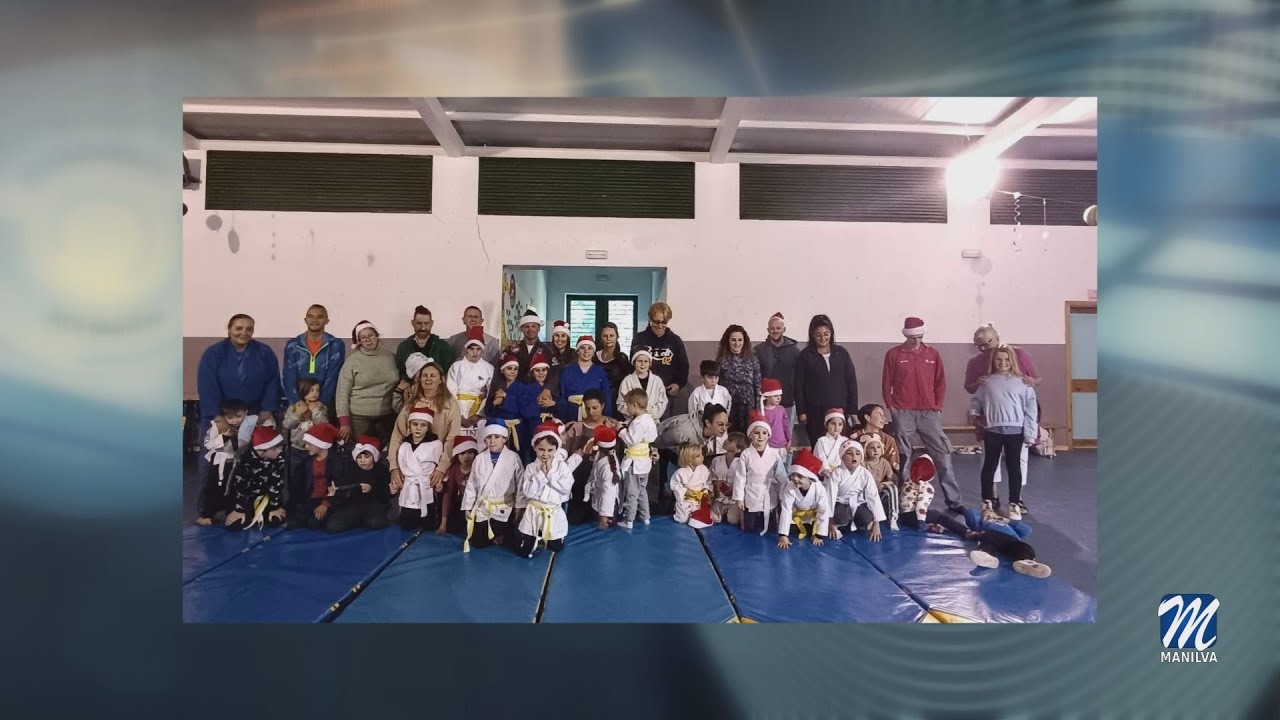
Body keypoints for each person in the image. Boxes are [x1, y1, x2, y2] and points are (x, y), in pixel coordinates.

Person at [882, 316, 964, 512]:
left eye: (919, 337)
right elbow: (887, 383)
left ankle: (954, 501)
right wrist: (891, 407)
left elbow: (940, 381)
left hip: (929, 412)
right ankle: (903, 500)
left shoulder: (933, 354)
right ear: (905, 336)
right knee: (903, 456)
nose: (916, 341)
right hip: (903, 411)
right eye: (913, 338)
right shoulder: (893, 354)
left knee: (942, 454)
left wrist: (938, 406)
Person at [964, 323, 1042, 492]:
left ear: (998, 338)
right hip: (990, 418)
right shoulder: (975, 361)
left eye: (987, 343)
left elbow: (1036, 378)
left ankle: (1017, 498)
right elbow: (969, 388)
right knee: (990, 458)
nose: (983, 348)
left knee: (1019, 459)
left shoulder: (1018, 354)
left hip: (1017, 415)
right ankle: (992, 497)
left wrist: (1030, 382)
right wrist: (977, 384)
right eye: (979, 345)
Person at [970, 346, 1038, 520]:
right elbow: (976, 401)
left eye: (1007, 360)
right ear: (993, 361)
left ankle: (1014, 502)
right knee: (989, 466)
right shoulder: (987, 382)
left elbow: (1031, 410)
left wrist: (1030, 433)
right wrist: (975, 414)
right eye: (999, 360)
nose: (1003, 363)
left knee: (1014, 467)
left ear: (1012, 361)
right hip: (992, 430)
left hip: (1016, 431)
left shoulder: (1023, 383)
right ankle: (987, 501)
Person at [389, 354, 463, 501]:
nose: (428, 379)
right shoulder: (412, 403)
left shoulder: (450, 405)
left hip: (436, 464)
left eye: (433, 375)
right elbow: (398, 435)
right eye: (424, 375)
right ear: (419, 379)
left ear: (441, 379)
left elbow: (451, 439)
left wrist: (442, 467)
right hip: (411, 464)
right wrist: (394, 467)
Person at [196, 313, 282, 438]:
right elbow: (207, 386)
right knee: (219, 454)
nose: (244, 332)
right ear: (229, 329)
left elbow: (273, 382)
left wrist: (267, 410)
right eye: (238, 328)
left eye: (249, 329)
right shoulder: (213, 354)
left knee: (255, 453)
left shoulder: (265, 352)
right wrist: (218, 418)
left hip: (255, 414)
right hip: (222, 414)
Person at [517, 422, 590, 557]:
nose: (545, 454)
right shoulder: (531, 468)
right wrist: (541, 475)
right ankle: (531, 539)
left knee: (556, 547)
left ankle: (554, 538)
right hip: (534, 511)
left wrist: (550, 474)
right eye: (541, 449)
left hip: (553, 510)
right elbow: (528, 492)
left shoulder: (562, 467)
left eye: (550, 450)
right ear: (535, 448)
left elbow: (565, 488)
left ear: (556, 449)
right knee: (525, 551)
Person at [793, 314, 858, 449]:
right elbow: (798, 385)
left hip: (840, 408)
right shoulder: (805, 356)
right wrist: (801, 411)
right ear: (812, 335)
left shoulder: (841, 353)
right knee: (819, 446)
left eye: (826, 334)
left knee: (840, 446)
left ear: (831, 333)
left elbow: (851, 381)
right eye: (818, 335)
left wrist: (853, 410)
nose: (823, 338)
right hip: (815, 411)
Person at [335, 320, 400, 448]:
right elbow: (342, 393)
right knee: (362, 455)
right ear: (358, 341)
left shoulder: (391, 357)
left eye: (370, 335)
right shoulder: (352, 361)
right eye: (363, 337)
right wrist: (344, 423)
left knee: (383, 455)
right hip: (359, 418)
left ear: (377, 336)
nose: (368, 340)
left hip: (387, 416)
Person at [461, 422, 523, 551]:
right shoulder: (479, 458)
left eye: (497, 437)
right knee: (477, 542)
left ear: (504, 439)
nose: (492, 441)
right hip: (484, 506)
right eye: (489, 437)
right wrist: (468, 506)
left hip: (505, 506)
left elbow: (520, 483)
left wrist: (520, 507)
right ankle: (493, 535)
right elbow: (472, 484)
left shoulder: (513, 458)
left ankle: (502, 534)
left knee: (512, 542)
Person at [560, 389, 618, 525]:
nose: (591, 412)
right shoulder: (576, 427)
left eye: (595, 408)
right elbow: (562, 452)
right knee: (575, 520)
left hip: (604, 480)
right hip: (579, 481)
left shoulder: (614, 426)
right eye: (588, 408)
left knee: (607, 519)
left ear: (603, 405)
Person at [281, 378, 331, 525]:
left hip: (313, 451)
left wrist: (315, 410)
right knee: (295, 479)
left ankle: (308, 507)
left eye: (317, 390)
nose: (315, 393)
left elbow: (323, 425)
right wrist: (297, 413)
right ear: (303, 391)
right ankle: (293, 507)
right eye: (311, 390)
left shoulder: (321, 407)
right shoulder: (294, 406)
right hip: (297, 449)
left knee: (310, 479)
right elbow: (287, 424)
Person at [732, 411, 789, 535]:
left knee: (771, 528)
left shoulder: (774, 454)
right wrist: (739, 498)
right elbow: (740, 477)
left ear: (769, 435)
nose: (760, 436)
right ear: (750, 435)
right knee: (749, 529)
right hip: (751, 492)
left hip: (769, 492)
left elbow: (781, 475)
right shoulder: (746, 454)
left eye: (764, 433)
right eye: (756, 433)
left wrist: (784, 493)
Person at [197, 398, 251, 526]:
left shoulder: (248, 426)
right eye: (230, 417)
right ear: (223, 416)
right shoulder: (216, 426)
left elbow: (245, 445)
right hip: (219, 463)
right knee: (213, 488)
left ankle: (231, 512)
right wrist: (225, 436)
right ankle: (207, 514)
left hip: (236, 462)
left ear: (245, 413)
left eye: (239, 416)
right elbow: (209, 444)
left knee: (234, 488)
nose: (235, 420)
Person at [298, 423, 362, 531]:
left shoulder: (337, 462)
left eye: (309, 444)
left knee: (327, 525)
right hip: (313, 499)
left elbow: (340, 487)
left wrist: (325, 504)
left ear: (320, 444)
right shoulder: (307, 461)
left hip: (333, 500)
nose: (306, 447)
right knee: (300, 521)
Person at [324, 436, 393, 533]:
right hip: (353, 505)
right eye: (359, 457)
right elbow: (342, 488)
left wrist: (372, 489)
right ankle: (357, 520)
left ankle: (364, 520)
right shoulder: (351, 469)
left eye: (366, 457)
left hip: (374, 505)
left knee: (376, 523)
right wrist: (334, 492)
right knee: (333, 526)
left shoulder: (382, 470)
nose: (362, 460)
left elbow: (387, 494)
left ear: (374, 457)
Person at [224, 425, 287, 530]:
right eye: (276, 448)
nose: (280, 451)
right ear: (262, 451)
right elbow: (240, 486)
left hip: (266, 496)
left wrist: (275, 506)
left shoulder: (279, 456)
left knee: (275, 521)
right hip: (247, 498)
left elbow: (277, 482)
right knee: (236, 524)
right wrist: (239, 510)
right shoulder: (244, 459)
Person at [282, 304, 346, 407]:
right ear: (305, 320)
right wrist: (296, 401)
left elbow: (333, 377)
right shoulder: (293, 345)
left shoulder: (335, 345)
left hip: (325, 404)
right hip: (297, 404)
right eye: (310, 316)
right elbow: (289, 376)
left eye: (319, 317)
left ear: (327, 321)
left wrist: (321, 403)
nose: (314, 320)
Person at [962, 506, 1052, 578]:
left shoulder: (1007, 524)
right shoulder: (981, 525)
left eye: (990, 511)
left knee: (1021, 547)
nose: (988, 513)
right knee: (987, 542)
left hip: (1010, 542)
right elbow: (970, 513)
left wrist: (1009, 521)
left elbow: (1027, 530)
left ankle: (1027, 563)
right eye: (985, 513)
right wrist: (982, 519)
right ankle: (987, 557)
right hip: (991, 538)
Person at [392, 406, 444, 531]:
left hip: (426, 485)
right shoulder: (404, 445)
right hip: (409, 486)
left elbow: (439, 465)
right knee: (407, 525)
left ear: (428, 427)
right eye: (415, 424)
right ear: (409, 425)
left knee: (428, 526)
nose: (418, 428)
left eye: (423, 425)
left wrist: (439, 482)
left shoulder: (436, 444)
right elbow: (402, 465)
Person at [630, 302, 689, 408]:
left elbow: (683, 367)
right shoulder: (639, 339)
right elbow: (632, 364)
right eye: (656, 322)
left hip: (667, 392)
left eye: (664, 322)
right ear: (650, 319)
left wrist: (678, 385)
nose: (660, 326)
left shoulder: (675, 340)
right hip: (642, 392)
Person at [827, 439, 885, 541]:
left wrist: (877, 524)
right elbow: (830, 497)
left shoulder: (865, 474)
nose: (854, 456)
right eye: (849, 453)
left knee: (866, 518)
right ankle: (842, 522)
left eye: (858, 454)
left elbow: (873, 496)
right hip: (841, 503)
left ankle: (859, 522)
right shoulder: (837, 473)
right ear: (842, 457)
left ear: (861, 458)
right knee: (841, 517)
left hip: (858, 503)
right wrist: (830, 522)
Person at [754, 311, 801, 435]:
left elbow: (799, 377)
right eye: (772, 328)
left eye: (778, 328)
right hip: (766, 403)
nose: (775, 331)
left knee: (787, 436)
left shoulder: (795, 351)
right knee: (765, 435)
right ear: (768, 330)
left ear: (784, 329)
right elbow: (756, 376)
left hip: (788, 402)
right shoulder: (759, 350)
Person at [618, 388, 658, 529]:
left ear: (634, 405)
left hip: (634, 463)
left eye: (627, 405)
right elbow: (651, 437)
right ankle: (646, 516)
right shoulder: (648, 419)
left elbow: (631, 440)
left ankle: (629, 520)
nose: (626, 408)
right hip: (645, 463)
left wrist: (621, 431)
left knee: (632, 492)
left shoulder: (638, 422)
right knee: (642, 490)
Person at [776, 449, 831, 549]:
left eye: (800, 476)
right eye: (793, 475)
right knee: (793, 530)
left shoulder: (819, 489)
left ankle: (814, 529)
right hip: (798, 515)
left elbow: (823, 510)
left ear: (809, 478)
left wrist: (819, 535)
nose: (795, 479)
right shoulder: (790, 487)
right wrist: (783, 535)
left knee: (813, 530)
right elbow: (786, 509)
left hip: (814, 517)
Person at [484, 351, 533, 461]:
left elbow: (525, 409)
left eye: (515, 369)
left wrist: (506, 397)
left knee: (517, 456)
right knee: (499, 457)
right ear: (502, 370)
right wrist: (494, 404)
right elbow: (488, 410)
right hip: (499, 428)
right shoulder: (496, 387)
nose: (512, 372)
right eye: (509, 368)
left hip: (517, 429)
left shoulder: (522, 387)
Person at [715, 325, 761, 435]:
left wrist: (758, 409)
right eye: (733, 340)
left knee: (747, 438)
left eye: (740, 340)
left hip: (748, 407)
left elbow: (757, 385)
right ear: (728, 341)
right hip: (729, 407)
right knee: (730, 438)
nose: (737, 343)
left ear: (744, 341)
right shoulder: (721, 360)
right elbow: (717, 386)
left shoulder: (752, 359)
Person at [446, 326, 495, 428]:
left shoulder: (489, 368)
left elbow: (491, 393)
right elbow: (450, 390)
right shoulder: (456, 366)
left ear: (482, 351)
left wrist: (478, 414)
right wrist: (459, 416)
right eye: (472, 349)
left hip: (478, 408)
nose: (475, 352)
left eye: (478, 349)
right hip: (459, 406)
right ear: (466, 350)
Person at [556, 335, 612, 424]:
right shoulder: (566, 371)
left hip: (594, 417)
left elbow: (606, 397)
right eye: (582, 348)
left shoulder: (600, 372)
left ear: (594, 352)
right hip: (571, 415)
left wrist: (606, 418)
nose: (586, 351)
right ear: (577, 351)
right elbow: (562, 396)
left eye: (589, 348)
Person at [395, 305, 456, 385]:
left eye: (426, 323)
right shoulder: (404, 347)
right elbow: (401, 374)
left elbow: (448, 373)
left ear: (431, 323)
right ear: (413, 323)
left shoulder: (443, 346)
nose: (423, 327)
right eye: (419, 323)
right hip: (412, 389)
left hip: (437, 389)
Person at [857, 433, 899, 530]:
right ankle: (869, 518)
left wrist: (888, 483)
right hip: (865, 493)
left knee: (892, 488)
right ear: (866, 450)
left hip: (878, 491)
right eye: (872, 448)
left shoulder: (885, 463)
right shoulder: (863, 464)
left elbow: (892, 479)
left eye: (878, 447)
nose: (876, 450)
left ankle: (893, 517)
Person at [616, 347, 669, 421]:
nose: (642, 364)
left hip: (652, 421)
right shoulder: (627, 380)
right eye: (639, 361)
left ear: (650, 363)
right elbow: (621, 403)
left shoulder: (657, 381)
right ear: (634, 363)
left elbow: (662, 402)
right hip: (632, 420)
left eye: (646, 361)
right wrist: (637, 413)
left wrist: (649, 415)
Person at [439, 435, 477, 535]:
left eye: (470, 452)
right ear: (457, 455)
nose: (466, 456)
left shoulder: (479, 467)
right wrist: (443, 524)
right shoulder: (454, 469)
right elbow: (448, 495)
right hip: (461, 504)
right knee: (453, 527)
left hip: (477, 505)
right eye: (462, 453)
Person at [585, 425, 621, 529]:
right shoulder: (602, 454)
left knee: (604, 532)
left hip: (608, 509)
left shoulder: (608, 467)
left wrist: (604, 515)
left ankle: (607, 521)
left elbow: (609, 492)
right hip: (599, 500)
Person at [593, 322, 632, 417]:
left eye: (611, 335)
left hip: (616, 401)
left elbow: (627, 382)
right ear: (601, 337)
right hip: (597, 400)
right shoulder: (594, 357)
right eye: (605, 336)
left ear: (617, 337)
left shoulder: (622, 358)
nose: (608, 339)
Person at [670, 443, 714, 528]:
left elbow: (707, 482)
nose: (702, 457)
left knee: (704, 512)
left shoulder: (704, 469)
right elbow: (675, 485)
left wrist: (705, 491)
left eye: (701, 454)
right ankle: (689, 514)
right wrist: (686, 492)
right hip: (687, 499)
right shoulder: (681, 472)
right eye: (698, 456)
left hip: (699, 498)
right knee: (681, 519)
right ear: (689, 459)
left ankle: (696, 515)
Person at [851, 404, 902, 473]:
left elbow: (893, 465)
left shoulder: (888, 439)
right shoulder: (854, 438)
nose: (883, 418)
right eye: (879, 414)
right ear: (867, 417)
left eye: (883, 415)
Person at [710, 432, 747, 525]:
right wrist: (717, 483)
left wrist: (733, 488)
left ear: (738, 448)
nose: (726, 441)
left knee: (733, 520)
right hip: (720, 497)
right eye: (727, 439)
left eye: (730, 441)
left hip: (735, 499)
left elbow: (745, 482)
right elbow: (710, 477)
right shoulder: (716, 460)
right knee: (713, 518)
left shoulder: (742, 463)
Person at [688, 360, 733, 428]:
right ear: (703, 377)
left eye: (716, 377)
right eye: (710, 378)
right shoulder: (697, 393)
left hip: (720, 428)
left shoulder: (723, 391)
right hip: (702, 427)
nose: (713, 381)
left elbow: (727, 410)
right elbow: (692, 414)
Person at [811, 408, 847, 481]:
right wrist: (826, 471)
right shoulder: (821, 441)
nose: (836, 427)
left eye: (840, 424)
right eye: (833, 423)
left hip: (843, 474)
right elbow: (820, 457)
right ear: (826, 425)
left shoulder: (846, 440)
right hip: (828, 474)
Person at [760, 378, 791, 453]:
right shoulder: (762, 412)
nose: (778, 398)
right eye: (775, 396)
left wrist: (789, 440)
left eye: (780, 395)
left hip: (782, 445)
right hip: (768, 447)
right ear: (766, 396)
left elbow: (786, 426)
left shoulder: (781, 409)